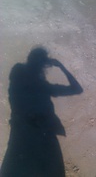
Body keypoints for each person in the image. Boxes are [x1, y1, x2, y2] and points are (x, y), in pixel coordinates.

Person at [1, 47, 83, 177]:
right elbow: (77, 89)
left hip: (22, 133)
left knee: (13, 169)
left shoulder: (19, 79)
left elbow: (77, 90)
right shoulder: (41, 86)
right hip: (43, 134)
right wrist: (61, 66)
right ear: (44, 65)